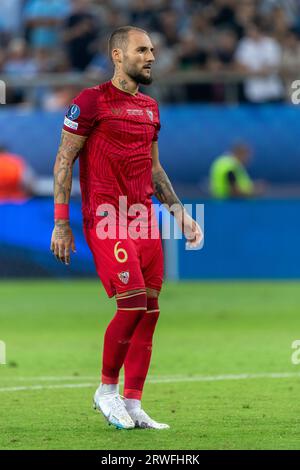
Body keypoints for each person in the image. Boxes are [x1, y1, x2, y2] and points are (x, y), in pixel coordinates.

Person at [50, 26, 202, 430]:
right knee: (131, 304)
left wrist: (181, 215)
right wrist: (61, 223)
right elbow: (64, 161)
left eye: (152, 49)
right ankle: (105, 390)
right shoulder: (90, 101)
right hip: (106, 218)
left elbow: (154, 170)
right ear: (118, 55)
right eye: (141, 50)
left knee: (149, 312)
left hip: (145, 220)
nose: (151, 56)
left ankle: (133, 402)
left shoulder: (151, 108)